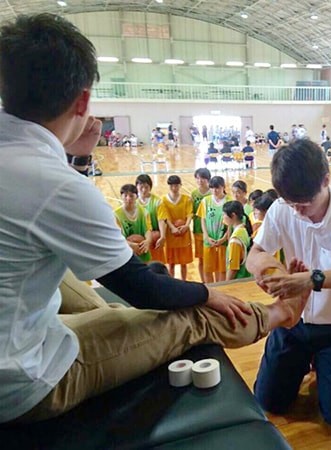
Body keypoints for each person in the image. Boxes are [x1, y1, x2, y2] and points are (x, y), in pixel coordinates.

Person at [0, 13, 310, 425]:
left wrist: (79, 159)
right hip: (24, 383)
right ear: (83, 100)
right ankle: (279, 315)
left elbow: (42, 214)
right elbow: (143, 290)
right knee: (193, 316)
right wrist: (206, 294)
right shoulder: (55, 183)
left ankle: (112, 322)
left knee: (68, 277)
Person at [246, 138, 331, 428]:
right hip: (293, 325)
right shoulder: (282, 208)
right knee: (267, 401)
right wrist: (272, 275)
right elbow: (255, 254)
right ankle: (309, 365)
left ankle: (323, 365)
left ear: (326, 180)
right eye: (291, 203)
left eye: (304, 203)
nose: (297, 211)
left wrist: (312, 279)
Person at [198, 176, 232, 283]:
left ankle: (221, 291)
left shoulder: (229, 201)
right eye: (212, 188)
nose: (214, 191)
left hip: (224, 241)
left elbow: (232, 223)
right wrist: (206, 237)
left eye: (217, 188)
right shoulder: (205, 201)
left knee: (222, 270)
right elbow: (203, 219)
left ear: (223, 187)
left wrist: (224, 238)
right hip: (209, 241)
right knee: (208, 270)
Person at [114, 184, 152, 263]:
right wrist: (130, 244)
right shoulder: (116, 215)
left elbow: (148, 230)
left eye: (131, 196)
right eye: (125, 195)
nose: (128, 198)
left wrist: (147, 241)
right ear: (121, 196)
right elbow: (116, 236)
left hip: (141, 248)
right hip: (125, 250)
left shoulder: (144, 212)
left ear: (136, 196)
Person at [136, 174, 167, 264]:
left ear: (150, 187)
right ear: (136, 187)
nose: (144, 190)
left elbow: (161, 220)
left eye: (146, 187)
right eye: (141, 187)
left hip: (155, 238)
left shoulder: (157, 202)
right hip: (140, 239)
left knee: (157, 264)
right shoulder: (133, 203)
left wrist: (162, 236)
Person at [223, 201, 253, 281]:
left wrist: (226, 284)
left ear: (233, 215)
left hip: (238, 281)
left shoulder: (235, 240)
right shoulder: (244, 229)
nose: (223, 217)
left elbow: (233, 268)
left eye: (224, 214)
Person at [191, 168, 212, 281]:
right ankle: (204, 281)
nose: (200, 180)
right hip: (198, 229)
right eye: (197, 178)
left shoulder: (213, 192)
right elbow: (191, 212)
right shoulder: (194, 194)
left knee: (212, 259)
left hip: (212, 231)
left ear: (208, 179)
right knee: (201, 259)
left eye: (202, 178)